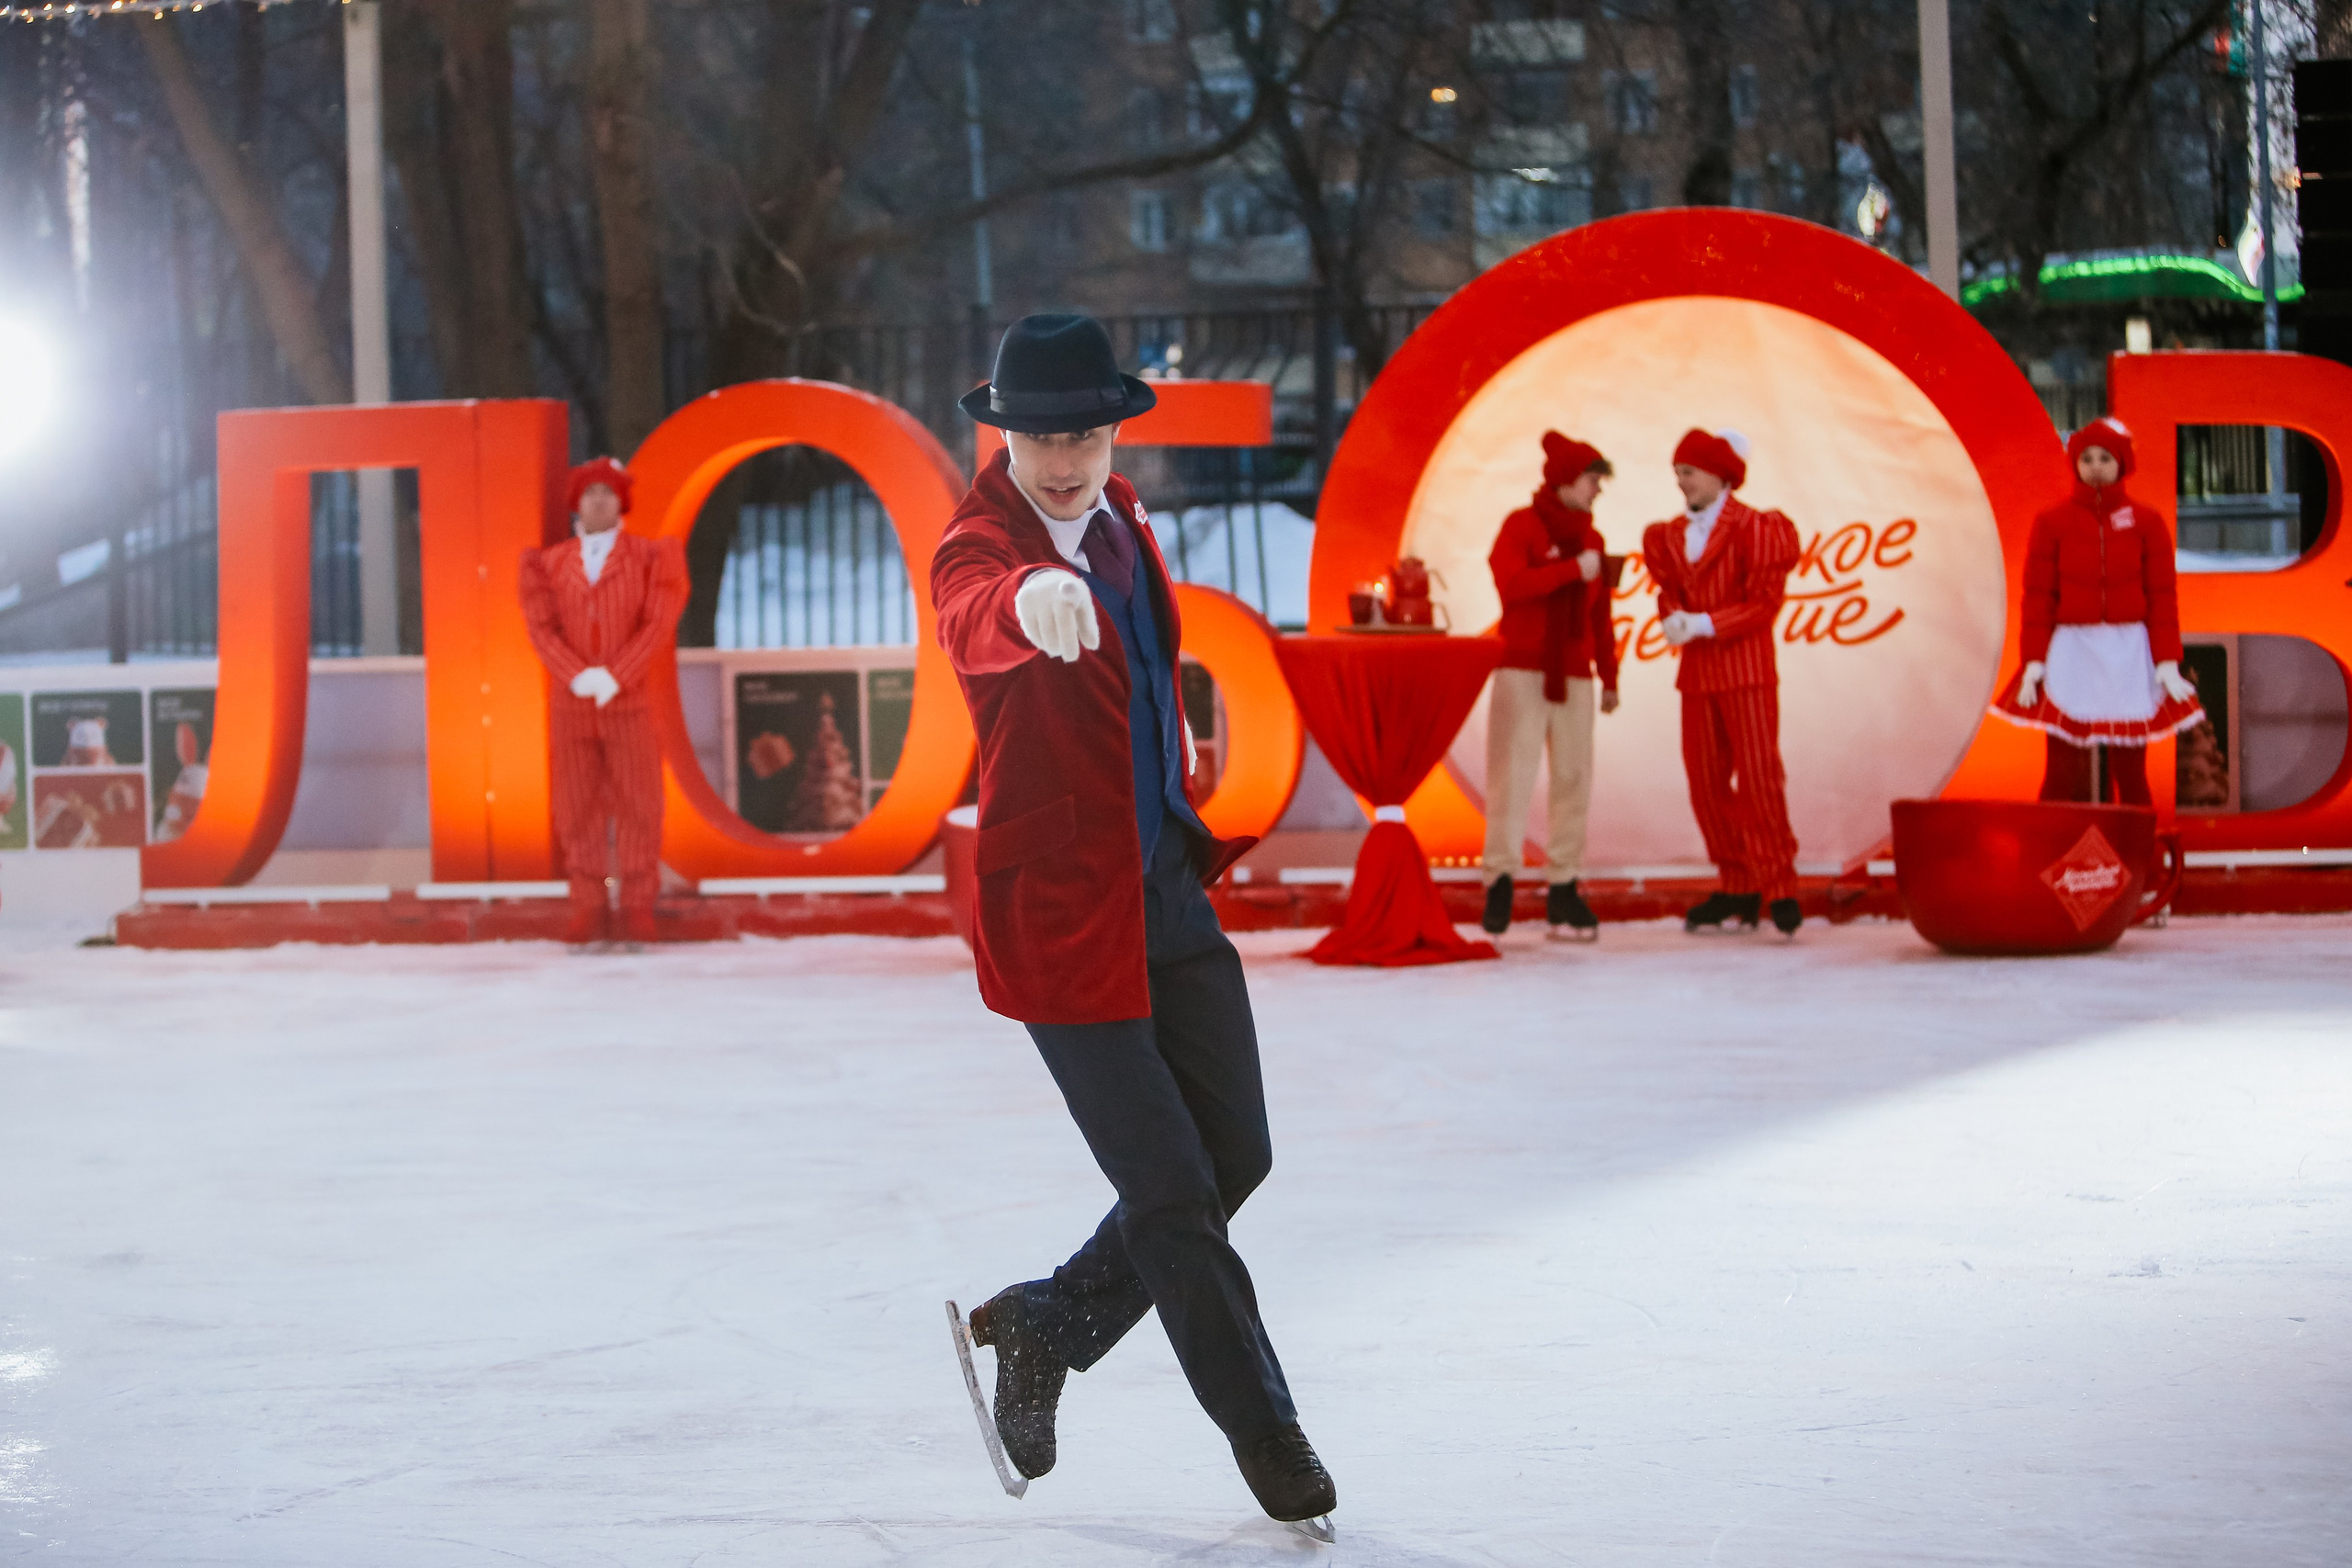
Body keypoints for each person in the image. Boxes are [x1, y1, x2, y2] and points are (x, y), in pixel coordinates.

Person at [932, 314, 1337, 1534]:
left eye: (1087, 431)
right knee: (1170, 1188)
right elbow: (971, 610)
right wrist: (1029, 594)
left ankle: (1048, 1320)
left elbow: (1147, 661)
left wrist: (1169, 736)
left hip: (1164, 881)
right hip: (1060, 912)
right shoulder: (979, 542)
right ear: (1004, 430)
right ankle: (1267, 1432)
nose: (1064, 456)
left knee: (1236, 1155)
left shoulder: (1124, 523)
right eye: (1042, 433)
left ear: (1114, 429)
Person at [1640, 428, 1805, 936]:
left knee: (1758, 780)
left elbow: (1764, 603)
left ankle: (1779, 886)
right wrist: (1671, 616)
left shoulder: (1757, 528)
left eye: (1687, 472)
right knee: (1706, 784)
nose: (1680, 482)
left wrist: (1705, 624)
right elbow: (1670, 590)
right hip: (1697, 675)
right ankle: (1738, 883)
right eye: (1677, 473)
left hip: (1746, 671)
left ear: (1717, 474)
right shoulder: (1668, 535)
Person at [518, 457, 689, 947]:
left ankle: (637, 905)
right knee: (576, 806)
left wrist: (617, 675)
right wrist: (576, 676)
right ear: (577, 502)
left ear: (622, 501)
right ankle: (588, 906)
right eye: (590, 492)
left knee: (639, 802)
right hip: (571, 706)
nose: (598, 500)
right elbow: (540, 626)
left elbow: (658, 622)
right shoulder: (548, 564)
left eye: (607, 492)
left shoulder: (649, 557)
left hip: (629, 701)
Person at [1990, 416, 2204, 799]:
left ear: (2122, 463)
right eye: (2086, 458)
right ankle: (2053, 852)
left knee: (2131, 771)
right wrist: (2033, 663)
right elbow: (2038, 596)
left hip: (2129, 653)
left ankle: (2137, 855)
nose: (2095, 466)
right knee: (2061, 769)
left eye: (2105, 457)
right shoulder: (2051, 522)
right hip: (2072, 651)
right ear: (2074, 464)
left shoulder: (2147, 522)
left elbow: (2162, 597)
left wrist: (2167, 662)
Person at [1480, 430, 1622, 940]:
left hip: (1576, 675)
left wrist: (1610, 675)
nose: (1597, 490)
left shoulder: (1594, 541)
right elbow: (1511, 586)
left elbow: (1601, 615)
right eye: (1592, 480)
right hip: (1521, 669)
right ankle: (1499, 881)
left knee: (1573, 779)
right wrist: (1568, 571)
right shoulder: (1522, 526)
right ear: (1565, 479)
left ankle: (1564, 886)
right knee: (1510, 778)